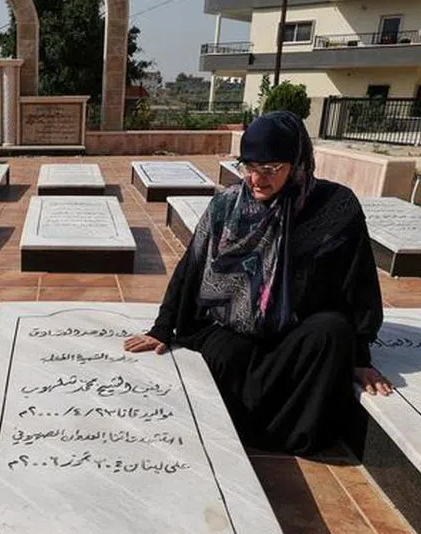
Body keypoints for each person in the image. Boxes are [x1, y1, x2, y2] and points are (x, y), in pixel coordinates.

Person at [124, 111, 392, 456]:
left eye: (269, 170)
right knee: (226, 354)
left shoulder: (335, 207)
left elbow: (358, 281)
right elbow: (190, 268)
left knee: (332, 333)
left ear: (297, 163)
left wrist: (360, 355)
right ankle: (243, 431)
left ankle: (294, 435)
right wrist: (162, 328)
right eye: (248, 167)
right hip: (235, 327)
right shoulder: (226, 206)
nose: (255, 179)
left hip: (296, 328)